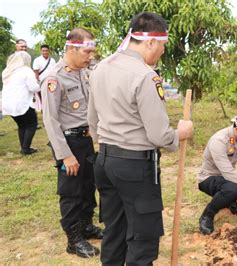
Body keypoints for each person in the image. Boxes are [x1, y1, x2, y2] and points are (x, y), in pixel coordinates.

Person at [88, 12, 193, 265]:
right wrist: (181, 133)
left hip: (105, 160)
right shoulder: (145, 76)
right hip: (135, 167)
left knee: (114, 229)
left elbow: (92, 120)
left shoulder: (101, 67)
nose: (162, 52)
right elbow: (159, 134)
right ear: (150, 42)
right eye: (163, 46)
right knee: (143, 238)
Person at [41, 28, 102, 258]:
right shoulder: (54, 78)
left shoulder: (84, 72)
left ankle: (86, 226)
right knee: (71, 192)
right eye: (87, 52)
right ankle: (74, 240)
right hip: (69, 143)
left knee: (88, 187)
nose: (90, 56)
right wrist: (64, 155)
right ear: (72, 48)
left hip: (86, 140)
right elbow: (50, 120)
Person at [1, 51, 39, 154]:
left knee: (22, 125)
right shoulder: (26, 70)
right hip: (22, 103)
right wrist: (40, 85)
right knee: (32, 124)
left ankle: (24, 147)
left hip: (9, 103)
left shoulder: (7, 71)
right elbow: (33, 87)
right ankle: (26, 148)